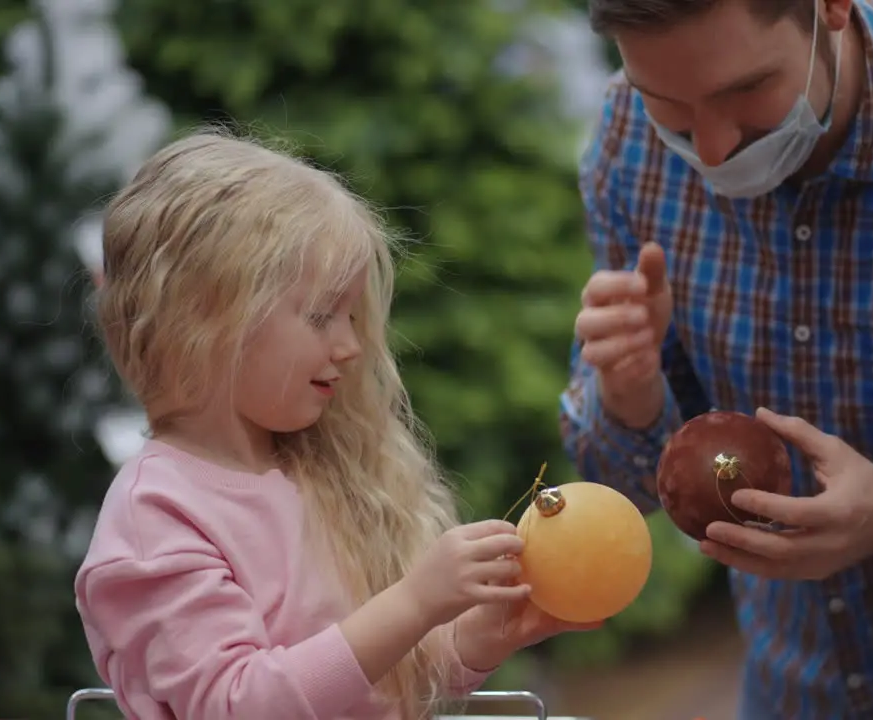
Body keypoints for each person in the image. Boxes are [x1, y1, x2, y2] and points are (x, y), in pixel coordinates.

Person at [560, 0, 873, 717]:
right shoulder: (628, 142)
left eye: (745, 92)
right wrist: (628, 392)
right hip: (792, 690)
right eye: (669, 108)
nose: (711, 151)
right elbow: (625, 480)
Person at [75, 131, 592, 720]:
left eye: (352, 316)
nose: (350, 346)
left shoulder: (315, 465)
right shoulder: (158, 517)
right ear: (205, 319)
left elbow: (373, 675)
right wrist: (416, 601)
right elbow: (238, 705)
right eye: (322, 315)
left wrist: (478, 636)